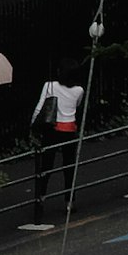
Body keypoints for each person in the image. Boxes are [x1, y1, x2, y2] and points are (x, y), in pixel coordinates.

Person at [29, 71, 86, 226]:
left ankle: (40, 199)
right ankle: (69, 201)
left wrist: (33, 125)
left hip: (52, 130)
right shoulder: (79, 90)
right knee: (69, 166)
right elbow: (77, 105)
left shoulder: (50, 85)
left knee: (46, 166)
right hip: (69, 130)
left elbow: (40, 106)